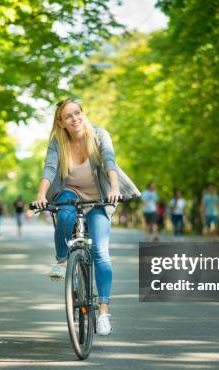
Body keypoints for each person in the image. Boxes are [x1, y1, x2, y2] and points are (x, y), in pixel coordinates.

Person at [32, 98, 139, 336]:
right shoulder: (57, 143)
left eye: (77, 113)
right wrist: (41, 194)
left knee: (100, 252)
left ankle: (103, 312)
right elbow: (49, 168)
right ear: (61, 123)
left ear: (83, 114)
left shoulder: (99, 135)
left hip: (99, 195)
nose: (75, 118)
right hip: (70, 192)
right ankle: (61, 260)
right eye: (68, 116)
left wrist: (114, 188)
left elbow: (110, 161)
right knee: (64, 214)